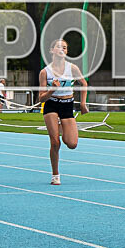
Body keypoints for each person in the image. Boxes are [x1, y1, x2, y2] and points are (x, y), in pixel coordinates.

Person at [37, 39, 88, 185]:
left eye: (64, 47)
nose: (62, 49)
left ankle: (59, 126)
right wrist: (52, 90)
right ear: (52, 50)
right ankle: (55, 175)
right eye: (59, 47)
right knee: (55, 142)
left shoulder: (72, 68)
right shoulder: (44, 72)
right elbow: (41, 98)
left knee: (72, 143)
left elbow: (83, 83)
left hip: (67, 104)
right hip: (51, 104)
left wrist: (83, 103)